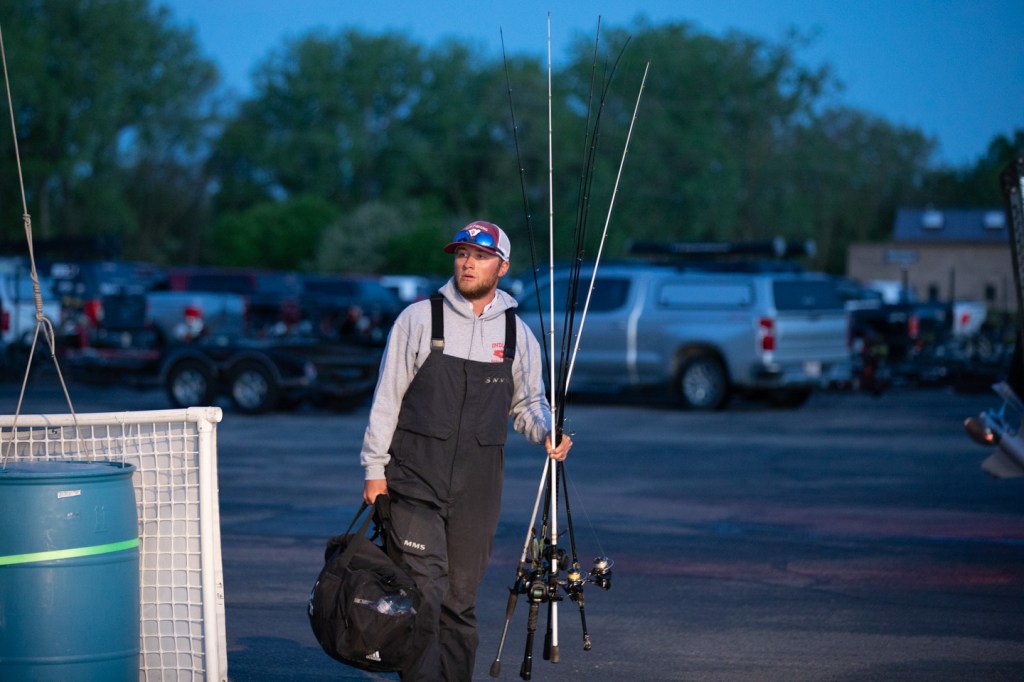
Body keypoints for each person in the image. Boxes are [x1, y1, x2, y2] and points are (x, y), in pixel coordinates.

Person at [359, 220, 572, 681]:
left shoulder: (518, 334)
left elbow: (529, 405)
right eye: (461, 254)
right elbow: (387, 399)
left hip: (478, 488)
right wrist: (374, 469)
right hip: (414, 480)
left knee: (460, 600)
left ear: (502, 267)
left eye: (480, 256)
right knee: (423, 590)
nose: (468, 263)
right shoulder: (418, 319)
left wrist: (547, 431)